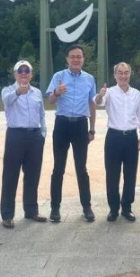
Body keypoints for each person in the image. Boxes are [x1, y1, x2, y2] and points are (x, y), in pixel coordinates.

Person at [46, 44, 97, 223]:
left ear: (83, 59)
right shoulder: (58, 76)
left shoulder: (89, 79)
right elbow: (50, 101)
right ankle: (55, 208)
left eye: (79, 56)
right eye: (73, 56)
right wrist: (56, 92)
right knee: (58, 168)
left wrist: (92, 128)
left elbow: (92, 104)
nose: (76, 59)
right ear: (67, 59)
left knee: (81, 168)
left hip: (80, 125)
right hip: (62, 124)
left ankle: (87, 207)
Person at [94, 62, 140, 222]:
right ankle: (113, 208)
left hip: (130, 137)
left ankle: (127, 207)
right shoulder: (109, 92)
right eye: (120, 73)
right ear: (115, 75)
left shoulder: (136, 94)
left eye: (126, 73)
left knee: (130, 174)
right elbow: (97, 102)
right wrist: (100, 94)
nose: (123, 76)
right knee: (112, 174)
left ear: (130, 74)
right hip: (114, 137)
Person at [0, 60, 48, 229]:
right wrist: (18, 92)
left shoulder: (37, 92)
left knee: (33, 174)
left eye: (27, 71)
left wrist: (42, 133)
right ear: (15, 74)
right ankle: (7, 214)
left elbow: (42, 114)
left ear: (31, 74)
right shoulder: (8, 90)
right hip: (16, 135)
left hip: (34, 135)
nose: (24, 74)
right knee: (10, 175)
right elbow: (7, 101)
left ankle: (31, 210)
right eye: (20, 71)